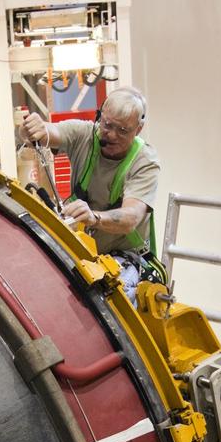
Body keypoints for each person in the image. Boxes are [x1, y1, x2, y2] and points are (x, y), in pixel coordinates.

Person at [20, 86, 160, 300]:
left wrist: (94, 218)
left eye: (123, 130)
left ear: (138, 129)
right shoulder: (84, 134)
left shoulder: (144, 161)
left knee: (109, 298)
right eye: (107, 125)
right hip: (82, 250)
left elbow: (131, 217)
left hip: (124, 257)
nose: (111, 135)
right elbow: (49, 132)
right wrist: (33, 131)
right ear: (100, 116)